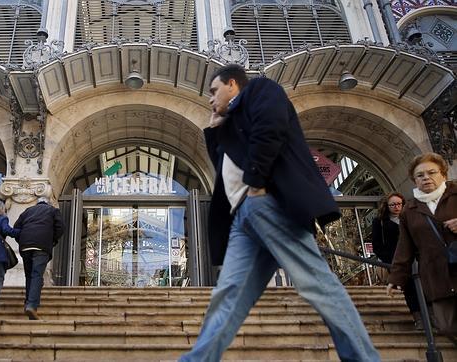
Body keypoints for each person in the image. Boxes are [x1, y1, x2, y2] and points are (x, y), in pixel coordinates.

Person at [179, 64, 379, 361]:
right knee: (229, 293)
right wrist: (215, 129)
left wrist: (257, 183)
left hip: (267, 204)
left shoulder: (260, 89)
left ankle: (364, 358)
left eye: (213, 91)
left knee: (315, 283)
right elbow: (224, 169)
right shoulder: (230, 122)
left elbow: (270, 129)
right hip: (242, 219)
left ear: (232, 84)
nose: (210, 99)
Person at [387, 152, 456, 335]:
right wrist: (396, 278)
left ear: (443, 174)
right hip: (436, 277)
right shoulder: (409, 210)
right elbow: (404, 247)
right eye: (420, 175)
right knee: (447, 327)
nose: (426, 178)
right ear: (414, 180)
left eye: (431, 172)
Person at [372, 192, 422, 329]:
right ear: (386, 206)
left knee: (424, 285)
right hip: (397, 261)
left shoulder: (411, 218)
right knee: (410, 288)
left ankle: (431, 316)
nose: (396, 207)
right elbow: (377, 245)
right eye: (392, 204)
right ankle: (419, 318)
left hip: (418, 258)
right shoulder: (380, 222)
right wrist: (391, 261)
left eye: (399, 204)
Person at [14, 196, 63, 320]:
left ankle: (28, 302)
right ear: (49, 203)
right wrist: (52, 240)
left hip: (25, 247)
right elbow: (61, 228)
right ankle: (32, 305)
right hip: (41, 246)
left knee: (29, 275)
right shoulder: (53, 211)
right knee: (36, 275)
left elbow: (16, 228)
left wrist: (22, 240)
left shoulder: (27, 211)